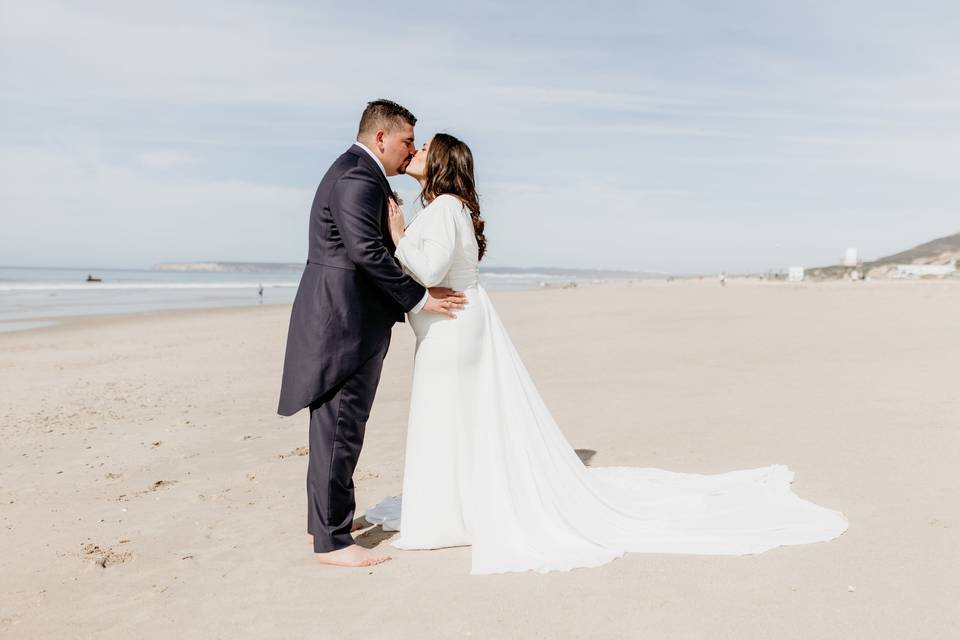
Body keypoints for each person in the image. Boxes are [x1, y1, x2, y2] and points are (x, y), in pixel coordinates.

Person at [370, 133, 848, 575]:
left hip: (453, 329)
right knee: (460, 419)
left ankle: (448, 516)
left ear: (443, 161)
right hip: (464, 322)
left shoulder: (441, 208)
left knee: (445, 417)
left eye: (425, 145)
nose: (416, 149)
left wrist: (397, 235)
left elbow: (429, 266)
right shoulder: (452, 206)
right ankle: (460, 507)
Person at [276, 100, 467, 568]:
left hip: (346, 318)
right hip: (345, 322)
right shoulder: (357, 178)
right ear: (381, 138)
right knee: (341, 427)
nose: (409, 151)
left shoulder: (357, 173)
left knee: (338, 429)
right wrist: (421, 299)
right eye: (406, 142)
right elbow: (367, 254)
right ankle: (333, 542)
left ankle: (324, 523)